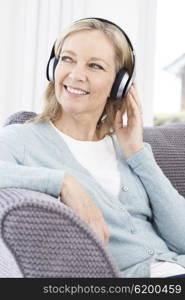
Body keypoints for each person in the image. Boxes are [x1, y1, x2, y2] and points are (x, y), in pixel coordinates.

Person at [1, 17, 185, 278]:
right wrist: (63, 182)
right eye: (67, 59)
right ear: (52, 66)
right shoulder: (22, 139)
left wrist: (138, 155)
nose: (76, 75)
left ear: (119, 84)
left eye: (95, 65)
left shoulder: (127, 148)